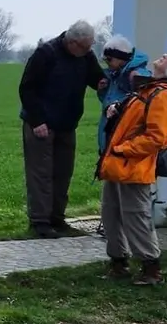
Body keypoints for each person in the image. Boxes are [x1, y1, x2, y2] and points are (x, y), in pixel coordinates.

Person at [98, 47, 167, 286]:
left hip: (134, 163)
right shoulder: (150, 90)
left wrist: (123, 149)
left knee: (135, 216)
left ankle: (151, 268)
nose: (165, 55)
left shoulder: (163, 95)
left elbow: (157, 137)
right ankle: (118, 263)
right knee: (112, 212)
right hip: (121, 162)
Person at [18, 19, 105, 238]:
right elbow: (27, 88)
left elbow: (96, 78)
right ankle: (40, 221)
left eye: (89, 48)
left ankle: (58, 218)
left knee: (63, 173)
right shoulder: (45, 54)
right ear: (72, 42)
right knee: (41, 174)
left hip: (67, 124)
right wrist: (37, 121)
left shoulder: (85, 55)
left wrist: (105, 81)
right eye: (84, 47)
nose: (88, 51)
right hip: (41, 124)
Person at [95, 33, 151, 155]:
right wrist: (102, 90)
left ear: (121, 58)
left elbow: (143, 107)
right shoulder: (114, 74)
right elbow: (108, 101)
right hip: (110, 136)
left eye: (109, 59)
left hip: (124, 141)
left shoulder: (138, 75)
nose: (106, 62)